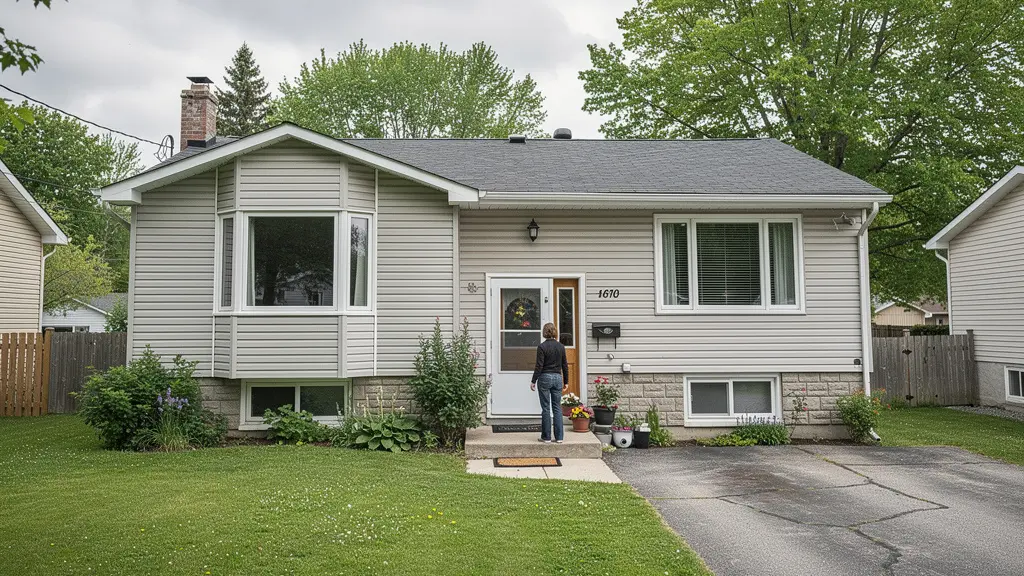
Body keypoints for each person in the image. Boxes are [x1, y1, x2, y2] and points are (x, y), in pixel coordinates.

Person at [531, 322, 568, 443]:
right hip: (557, 377)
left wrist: (533, 380)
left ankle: (546, 437)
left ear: (544, 332)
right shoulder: (561, 347)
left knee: (546, 408)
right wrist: (566, 381)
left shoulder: (542, 347)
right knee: (557, 407)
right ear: (555, 332)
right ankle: (559, 437)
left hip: (545, 378)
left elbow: (539, 366)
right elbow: (565, 365)